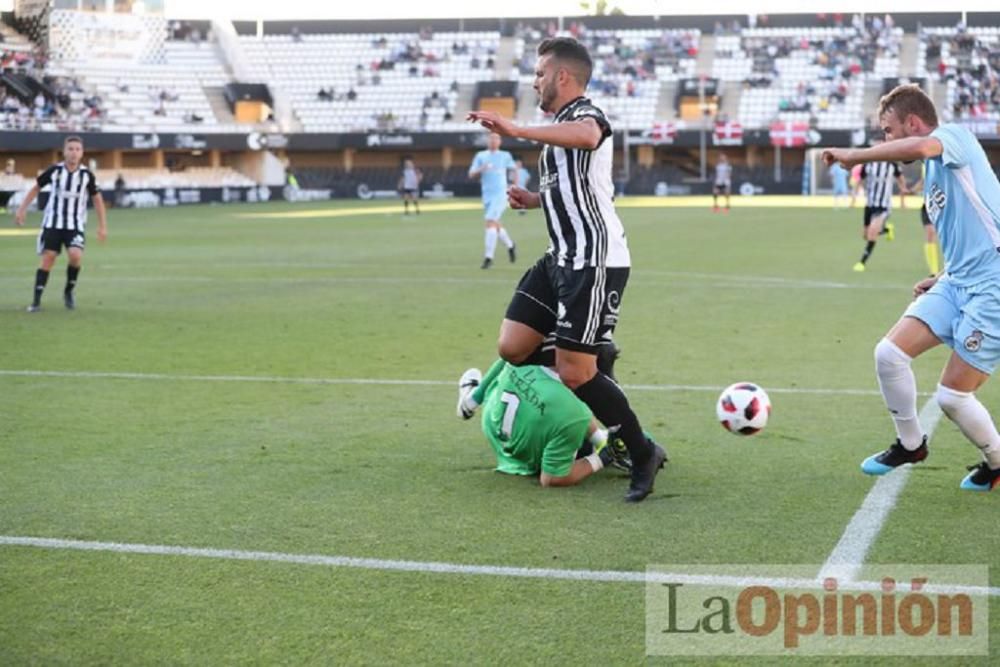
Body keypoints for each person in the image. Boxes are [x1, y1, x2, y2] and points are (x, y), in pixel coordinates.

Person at [467, 36, 665, 502]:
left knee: (575, 372)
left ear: (562, 76)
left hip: (594, 259)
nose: (534, 81)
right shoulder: (558, 128)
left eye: (539, 73)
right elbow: (585, 191)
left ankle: (641, 452)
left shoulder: (584, 116)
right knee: (513, 346)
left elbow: (591, 135)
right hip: (560, 255)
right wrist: (535, 199)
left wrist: (516, 129)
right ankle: (595, 350)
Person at [822, 83, 1000, 491]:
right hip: (957, 281)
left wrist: (856, 155)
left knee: (953, 399)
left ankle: (997, 462)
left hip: (993, 288)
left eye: (887, 130)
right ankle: (911, 444)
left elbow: (918, 148)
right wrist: (939, 277)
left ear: (914, 123)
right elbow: (975, 234)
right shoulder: (936, 178)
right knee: (888, 355)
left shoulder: (954, 137)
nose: (885, 139)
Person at [456, 344, 636, 486]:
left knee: (514, 354)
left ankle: (470, 401)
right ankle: (608, 447)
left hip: (492, 422)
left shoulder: (532, 352)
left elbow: (506, 357)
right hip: (526, 457)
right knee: (578, 437)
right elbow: (552, 478)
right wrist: (603, 457)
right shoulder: (575, 413)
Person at [14, 135, 106, 312]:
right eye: (70, 149)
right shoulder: (55, 171)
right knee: (48, 259)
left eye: (77, 149)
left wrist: (102, 226)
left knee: (75, 256)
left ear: (82, 153)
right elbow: (36, 188)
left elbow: (97, 199)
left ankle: (69, 291)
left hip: (75, 224)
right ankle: (36, 301)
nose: (73, 153)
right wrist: (22, 209)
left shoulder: (87, 175)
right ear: (64, 152)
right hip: (53, 223)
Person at [468, 132, 517, 269]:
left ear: (500, 141)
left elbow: (513, 170)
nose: (494, 140)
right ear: (487, 141)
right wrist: (481, 169)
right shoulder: (481, 156)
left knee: (490, 222)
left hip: (501, 194)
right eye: (491, 138)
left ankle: (488, 258)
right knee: (495, 224)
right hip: (487, 195)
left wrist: (515, 187)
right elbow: (471, 174)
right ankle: (510, 245)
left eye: (496, 138)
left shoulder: (505, 155)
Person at [851, 155, 907, 272]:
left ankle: (862, 262)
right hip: (870, 204)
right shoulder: (868, 164)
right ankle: (886, 229)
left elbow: (901, 179)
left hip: (884, 206)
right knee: (865, 235)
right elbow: (859, 179)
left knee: (872, 232)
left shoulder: (892, 164)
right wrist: (854, 198)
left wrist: (903, 200)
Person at [906, 164, 943, 276]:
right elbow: (924, 180)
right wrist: (912, 191)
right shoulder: (927, 164)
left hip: (944, 205)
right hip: (928, 204)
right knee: (930, 234)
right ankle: (934, 271)